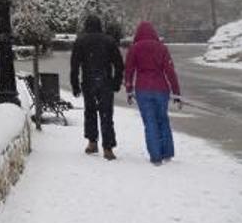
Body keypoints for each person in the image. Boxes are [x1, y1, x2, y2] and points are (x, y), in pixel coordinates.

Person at [124, 20, 182, 166]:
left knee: (150, 123)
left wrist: (129, 90)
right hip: (161, 89)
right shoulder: (162, 48)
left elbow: (129, 71)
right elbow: (170, 71)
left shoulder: (134, 49)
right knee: (163, 120)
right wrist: (176, 92)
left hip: (143, 89)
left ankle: (156, 157)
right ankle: (167, 153)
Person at [70, 13, 124, 160]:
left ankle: (92, 141)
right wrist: (116, 82)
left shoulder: (81, 41)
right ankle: (108, 147)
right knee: (106, 114)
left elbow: (74, 65)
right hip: (105, 81)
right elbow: (119, 64)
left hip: (88, 81)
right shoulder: (109, 41)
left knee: (90, 112)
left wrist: (75, 85)